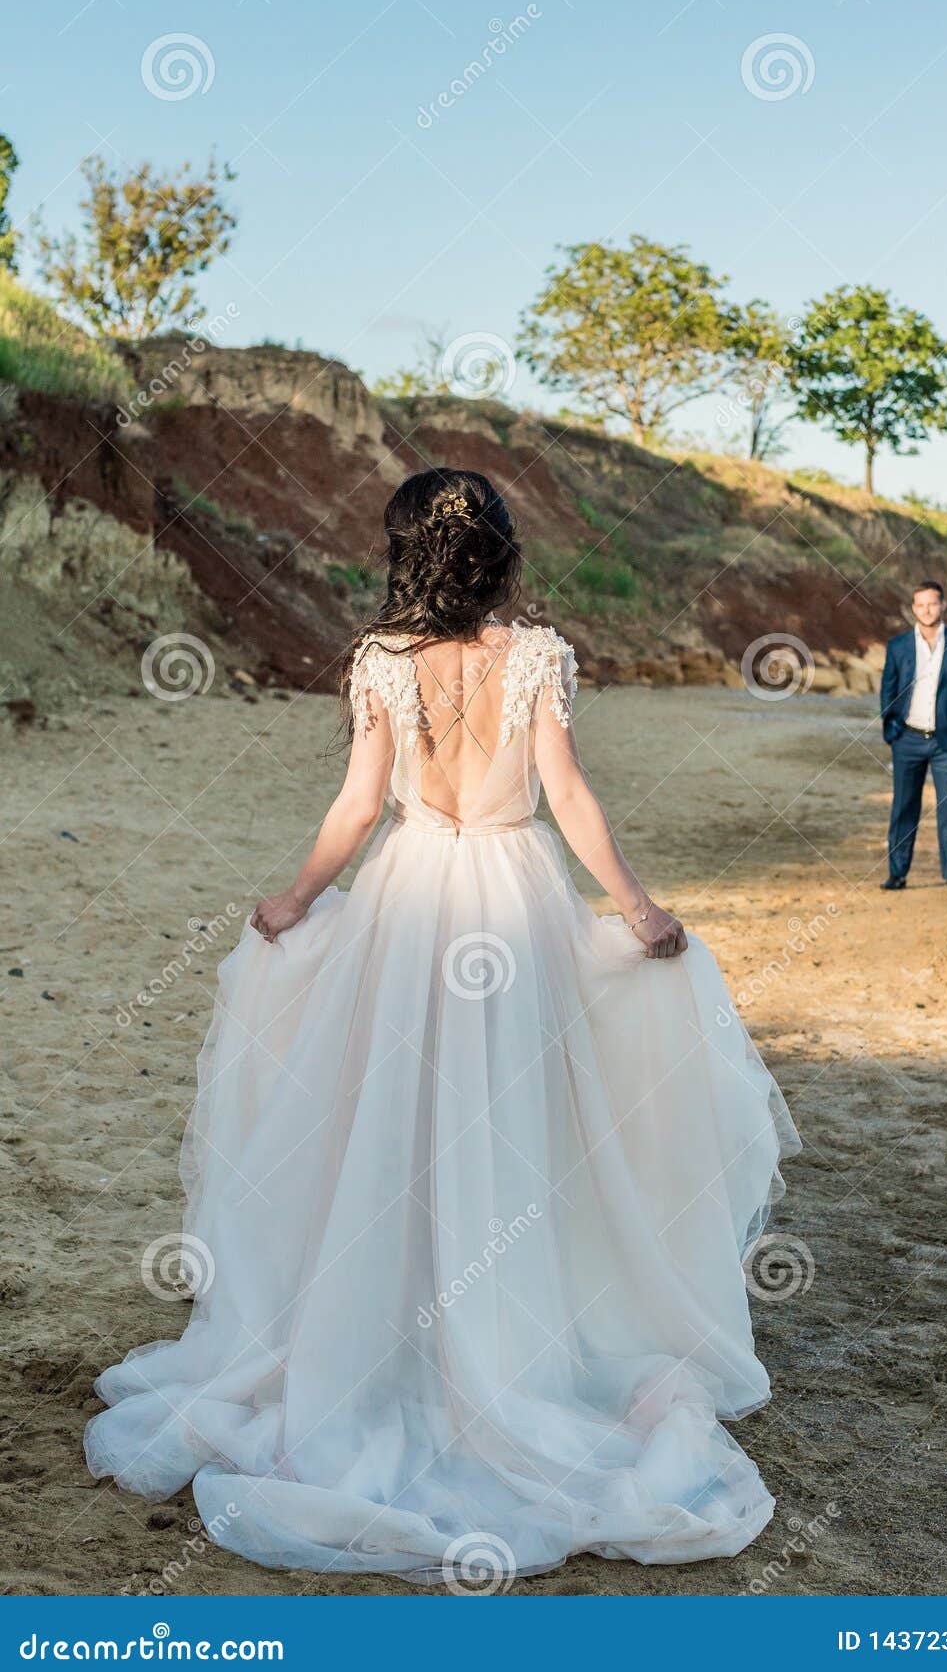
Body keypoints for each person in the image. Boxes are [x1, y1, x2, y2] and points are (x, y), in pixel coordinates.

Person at [84, 468, 799, 1586]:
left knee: (393, 1113)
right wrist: (638, 908)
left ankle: (391, 1321)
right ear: (503, 553)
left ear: (406, 552)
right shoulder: (540, 658)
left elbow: (360, 806)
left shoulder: (380, 661)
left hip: (410, 901)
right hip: (513, 904)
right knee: (514, 1121)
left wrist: (297, 897)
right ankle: (505, 1333)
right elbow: (567, 797)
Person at [879, 580, 947, 897]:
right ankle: (897, 874)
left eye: (932, 603)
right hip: (907, 739)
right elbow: (888, 690)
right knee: (903, 807)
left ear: (943, 606)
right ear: (913, 608)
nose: (927, 610)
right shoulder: (898, 646)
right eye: (920, 604)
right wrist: (891, 730)